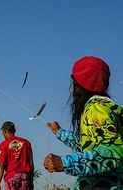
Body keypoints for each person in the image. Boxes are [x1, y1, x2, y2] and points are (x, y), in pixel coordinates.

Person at [43, 56, 123, 189]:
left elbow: (114, 152)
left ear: (78, 87)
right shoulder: (107, 108)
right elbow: (89, 144)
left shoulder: (96, 109)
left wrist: (66, 163)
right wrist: (60, 133)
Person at [0, 121, 34, 190]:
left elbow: (1, 165)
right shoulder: (26, 143)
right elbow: (31, 163)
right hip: (25, 179)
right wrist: (31, 181)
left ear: (4, 131)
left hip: (11, 178)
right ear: (15, 130)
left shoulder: (3, 144)